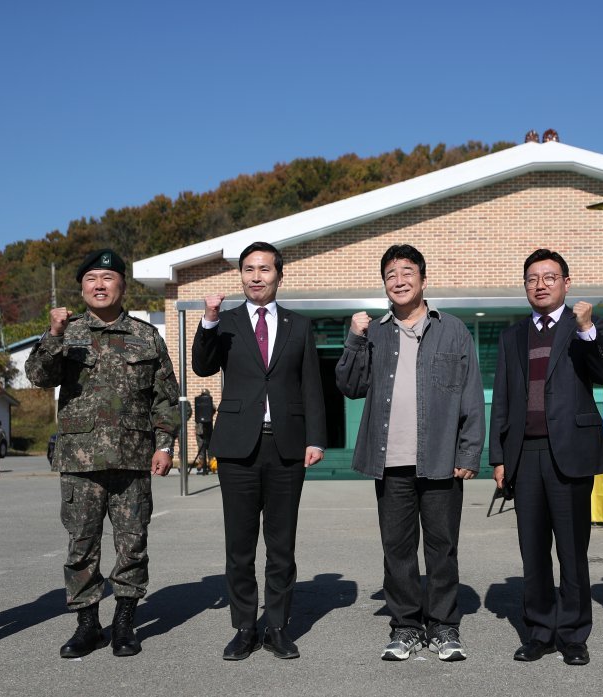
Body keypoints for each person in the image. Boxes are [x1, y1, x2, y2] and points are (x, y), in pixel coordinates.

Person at [25, 249, 180, 659]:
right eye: (91, 278)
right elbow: (38, 377)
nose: (99, 284)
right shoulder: (67, 331)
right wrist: (53, 335)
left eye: (107, 277)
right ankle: (88, 625)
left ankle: (125, 621)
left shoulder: (146, 336)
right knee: (82, 545)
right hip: (80, 460)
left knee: (133, 542)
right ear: (81, 288)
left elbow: (165, 398)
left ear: (122, 286)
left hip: (132, 460)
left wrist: (165, 445)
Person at [336, 244, 484, 662]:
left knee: (442, 549)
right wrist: (353, 338)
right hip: (391, 461)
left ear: (422, 278)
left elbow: (471, 395)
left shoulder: (453, 330)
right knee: (397, 550)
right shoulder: (375, 331)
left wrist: (469, 453)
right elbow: (350, 386)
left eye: (406, 272)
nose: (398, 281)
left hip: (441, 460)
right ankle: (405, 627)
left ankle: (443, 626)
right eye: (390, 275)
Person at [191, 241, 326, 660]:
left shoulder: (299, 325)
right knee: (240, 545)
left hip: (286, 446)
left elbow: (311, 385)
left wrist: (315, 438)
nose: (255, 276)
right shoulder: (225, 321)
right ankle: (245, 626)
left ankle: (279, 628)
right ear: (241, 276)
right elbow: (201, 365)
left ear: (279, 275)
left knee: (282, 545)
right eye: (248, 269)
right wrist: (209, 320)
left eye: (264, 269)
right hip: (236, 447)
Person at [488, 249, 603, 666]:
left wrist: (587, 329)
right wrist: (498, 457)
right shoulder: (512, 336)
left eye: (549, 277)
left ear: (565, 282)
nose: (540, 284)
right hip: (525, 456)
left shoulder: (580, 327)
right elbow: (503, 402)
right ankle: (540, 631)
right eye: (532, 278)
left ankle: (574, 635)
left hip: (571, 453)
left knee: (572, 549)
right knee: (533, 549)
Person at [193, 389, 215, 474]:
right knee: (200, 447)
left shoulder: (210, 403)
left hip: (208, 429)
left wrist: (209, 401)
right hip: (200, 430)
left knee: (210, 448)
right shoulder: (199, 402)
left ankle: (211, 463)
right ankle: (201, 462)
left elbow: (214, 409)